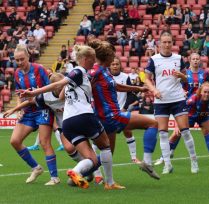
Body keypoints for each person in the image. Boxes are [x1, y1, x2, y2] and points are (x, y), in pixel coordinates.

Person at [20, 45, 124, 190]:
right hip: (83, 116)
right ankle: (110, 183)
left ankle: (75, 172)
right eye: (93, 58)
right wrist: (34, 92)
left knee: (92, 159)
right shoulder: (79, 71)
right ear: (86, 59)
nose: (95, 61)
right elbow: (58, 83)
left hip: (68, 123)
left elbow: (62, 91)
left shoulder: (77, 75)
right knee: (106, 145)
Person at [4, 73, 104, 184]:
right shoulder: (45, 96)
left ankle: (95, 172)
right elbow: (30, 101)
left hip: (81, 121)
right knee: (69, 148)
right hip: (65, 127)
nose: (64, 88)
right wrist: (14, 110)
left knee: (91, 150)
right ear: (54, 86)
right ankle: (88, 169)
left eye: (64, 85)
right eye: (60, 87)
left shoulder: (72, 90)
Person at [88, 39, 160, 180]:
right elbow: (82, 84)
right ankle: (147, 161)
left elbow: (116, 86)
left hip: (107, 117)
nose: (115, 60)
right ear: (107, 57)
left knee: (108, 152)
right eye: (113, 56)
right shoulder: (96, 71)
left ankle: (80, 172)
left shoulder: (104, 71)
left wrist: (138, 88)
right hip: (111, 116)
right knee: (153, 124)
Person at [144, 31, 199, 174]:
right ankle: (167, 164)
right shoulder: (154, 60)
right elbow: (146, 79)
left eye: (169, 42)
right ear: (160, 43)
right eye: (164, 42)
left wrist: (182, 76)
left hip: (177, 99)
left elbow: (187, 79)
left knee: (185, 131)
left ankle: (194, 162)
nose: (167, 44)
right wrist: (154, 90)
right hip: (160, 101)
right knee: (162, 133)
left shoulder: (179, 58)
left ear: (172, 43)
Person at [10, 44, 59, 185]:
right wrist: (19, 109)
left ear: (28, 56)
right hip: (28, 111)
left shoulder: (39, 69)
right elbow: (20, 94)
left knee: (44, 143)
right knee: (14, 141)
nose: (19, 63)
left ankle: (54, 177)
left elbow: (50, 88)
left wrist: (37, 97)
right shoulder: (17, 74)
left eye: (22, 59)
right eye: (17, 60)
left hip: (42, 109)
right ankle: (36, 168)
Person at [109, 57, 141, 163]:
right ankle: (96, 158)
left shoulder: (125, 77)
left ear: (120, 65)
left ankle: (134, 157)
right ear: (109, 65)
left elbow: (131, 95)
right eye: (113, 64)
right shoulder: (105, 77)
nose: (115, 66)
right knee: (103, 135)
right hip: (108, 111)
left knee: (127, 132)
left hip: (122, 110)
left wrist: (125, 108)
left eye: (117, 64)